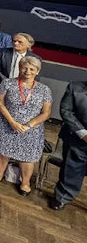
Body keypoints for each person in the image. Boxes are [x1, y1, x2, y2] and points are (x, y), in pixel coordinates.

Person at [0, 55, 52, 196]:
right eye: (24, 67)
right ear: (19, 68)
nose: (27, 71)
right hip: (6, 124)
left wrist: (28, 125)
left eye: (32, 69)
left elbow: (46, 113)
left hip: (31, 130)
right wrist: (12, 122)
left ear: (37, 71)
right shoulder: (7, 83)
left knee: (27, 157)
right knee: (3, 150)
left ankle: (25, 183)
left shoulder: (44, 90)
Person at [50, 80, 87, 211]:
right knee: (71, 169)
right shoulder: (75, 87)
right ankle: (62, 198)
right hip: (77, 138)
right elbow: (66, 111)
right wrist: (83, 134)